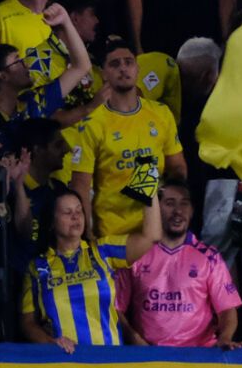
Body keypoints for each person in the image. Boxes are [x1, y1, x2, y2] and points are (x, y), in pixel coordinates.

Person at [69, 37, 186, 254]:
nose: (123, 68)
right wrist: (88, 235)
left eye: (128, 62)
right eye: (115, 64)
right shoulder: (93, 123)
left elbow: (178, 168)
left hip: (159, 233)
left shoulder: (161, 113)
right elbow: (81, 186)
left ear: (138, 68)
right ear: (103, 73)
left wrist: (165, 201)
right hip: (115, 237)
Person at [20, 188, 151, 351]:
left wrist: (150, 192)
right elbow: (28, 323)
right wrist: (49, 342)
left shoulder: (102, 251)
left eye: (79, 210)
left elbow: (151, 237)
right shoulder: (37, 268)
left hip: (110, 360)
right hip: (64, 361)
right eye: (67, 212)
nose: (75, 216)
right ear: (51, 222)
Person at [124, 180, 241, 348]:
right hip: (147, 356)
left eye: (184, 204)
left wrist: (225, 337)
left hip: (198, 356)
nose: (178, 211)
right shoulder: (136, 254)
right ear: (156, 209)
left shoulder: (209, 257)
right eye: (170, 203)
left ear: (192, 211)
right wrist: (133, 338)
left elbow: (227, 309)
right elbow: (116, 306)